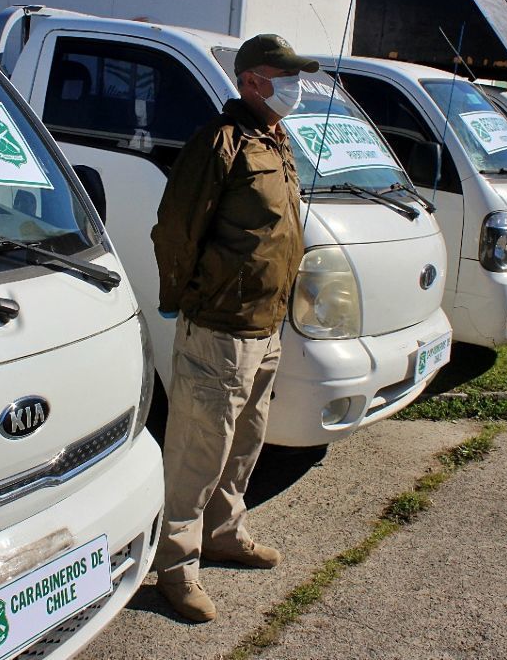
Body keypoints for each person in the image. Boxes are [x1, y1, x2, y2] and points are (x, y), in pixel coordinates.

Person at [149, 33, 311, 623]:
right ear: (250, 81)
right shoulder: (218, 144)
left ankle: (223, 533)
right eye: (283, 74)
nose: (296, 86)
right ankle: (173, 566)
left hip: (266, 326)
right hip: (218, 327)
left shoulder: (276, 140)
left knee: (243, 443)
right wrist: (183, 299)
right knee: (199, 450)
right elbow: (175, 230)